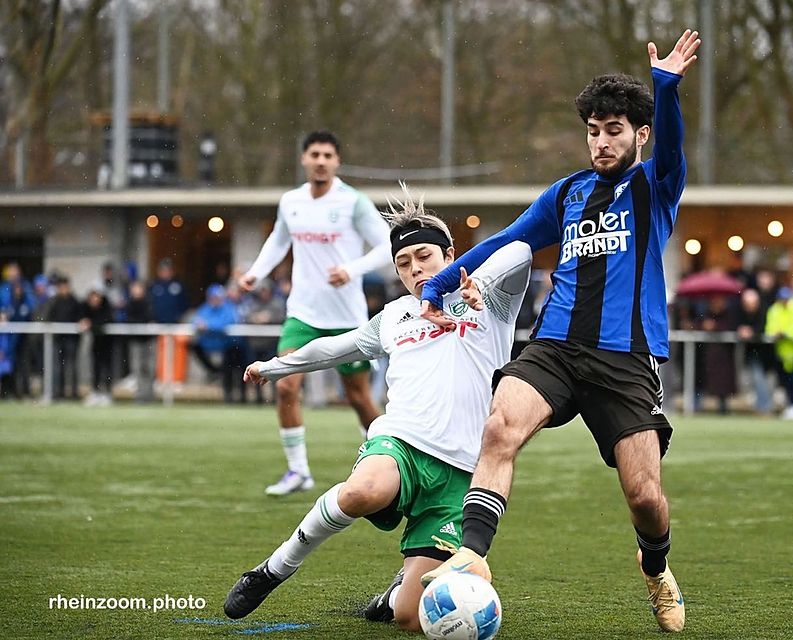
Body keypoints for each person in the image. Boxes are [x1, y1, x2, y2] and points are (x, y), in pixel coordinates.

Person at [416, 30, 700, 634]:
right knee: (500, 426)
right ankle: (472, 552)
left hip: (626, 358)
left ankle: (655, 566)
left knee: (645, 497)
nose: (601, 141)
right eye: (594, 131)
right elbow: (508, 239)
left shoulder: (656, 185)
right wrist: (439, 283)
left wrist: (667, 89)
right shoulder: (567, 193)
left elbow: (674, 145)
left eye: (615, 130)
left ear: (640, 135)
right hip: (555, 348)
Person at [224, 189, 532, 631]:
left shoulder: (490, 302)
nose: (414, 269)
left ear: (449, 255)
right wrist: (275, 367)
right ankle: (272, 570)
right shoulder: (395, 316)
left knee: (410, 618)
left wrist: (478, 282)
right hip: (401, 442)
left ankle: (395, 595)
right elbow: (335, 348)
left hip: (463, 473)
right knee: (363, 491)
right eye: (403, 263)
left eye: (424, 256)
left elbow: (521, 249)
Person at [239, 130, 392, 496]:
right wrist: (255, 273)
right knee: (285, 384)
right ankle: (298, 472)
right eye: (315, 154)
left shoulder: (353, 202)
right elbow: (278, 241)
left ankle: (390, 461)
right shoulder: (291, 201)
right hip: (302, 314)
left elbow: (388, 244)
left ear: (337, 161)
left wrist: (352, 270)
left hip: (346, 318)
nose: (321, 161)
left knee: (358, 397)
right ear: (304, 159)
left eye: (327, 155)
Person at [765, 286, 793, 419]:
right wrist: (775, 333)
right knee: (783, 380)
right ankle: (788, 406)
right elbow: (770, 329)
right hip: (781, 353)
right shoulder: (774, 309)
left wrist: (783, 333)